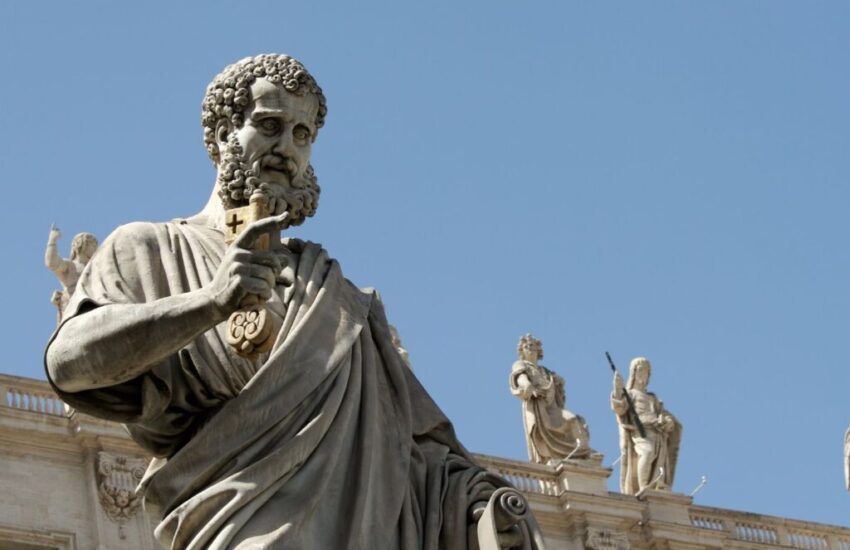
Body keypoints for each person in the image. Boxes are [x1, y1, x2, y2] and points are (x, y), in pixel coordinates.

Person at [45, 54, 543, 549]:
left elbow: (418, 454)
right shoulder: (150, 249)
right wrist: (211, 303)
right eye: (269, 126)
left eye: (302, 135)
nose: (286, 148)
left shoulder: (341, 299)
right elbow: (68, 363)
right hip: (236, 529)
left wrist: (478, 508)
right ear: (223, 134)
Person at [509, 334, 594, 464]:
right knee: (544, 434)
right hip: (538, 406)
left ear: (538, 350)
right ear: (522, 351)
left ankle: (582, 451)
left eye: (532, 345)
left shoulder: (546, 371)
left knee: (573, 419)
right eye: (526, 346)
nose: (529, 348)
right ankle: (552, 457)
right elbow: (520, 377)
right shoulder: (520, 364)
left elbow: (558, 385)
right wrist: (527, 384)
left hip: (553, 406)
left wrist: (558, 382)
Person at [610, 357, 682, 495]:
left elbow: (664, 413)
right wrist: (617, 388)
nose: (643, 374)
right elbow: (619, 407)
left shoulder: (652, 398)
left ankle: (654, 485)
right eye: (641, 370)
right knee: (647, 453)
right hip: (640, 431)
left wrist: (668, 420)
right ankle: (643, 487)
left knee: (657, 460)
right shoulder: (630, 394)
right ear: (634, 373)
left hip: (657, 432)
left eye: (646, 371)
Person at [44, 226, 98, 321]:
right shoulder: (70, 266)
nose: (96, 248)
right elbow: (51, 263)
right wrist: (52, 240)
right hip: (72, 309)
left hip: (93, 306)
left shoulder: (95, 269)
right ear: (81, 245)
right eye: (92, 244)